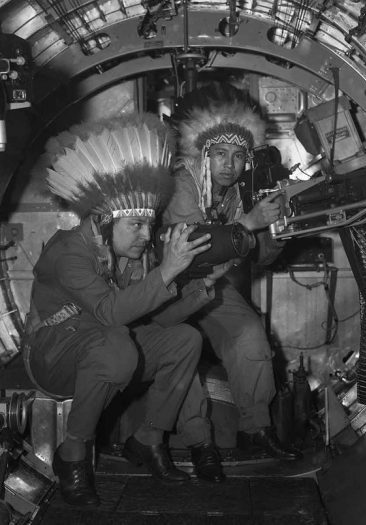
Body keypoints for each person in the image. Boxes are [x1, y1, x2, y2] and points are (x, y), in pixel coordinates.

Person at [24, 113, 229, 507]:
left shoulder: (129, 258)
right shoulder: (69, 252)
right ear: (104, 221)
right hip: (52, 356)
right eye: (136, 225)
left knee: (185, 339)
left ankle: (148, 440)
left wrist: (201, 290)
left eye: (148, 225)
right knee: (116, 346)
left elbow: (155, 322)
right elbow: (111, 314)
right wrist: (168, 269)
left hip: (101, 348)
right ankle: (73, 456)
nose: (146, 235)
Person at [162, 85, 302, 461]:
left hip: (211, 287)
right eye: (220, 154)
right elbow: (194, 247)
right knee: (179, 347)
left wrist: (279, 228)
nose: (229, 164)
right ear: (203, 154)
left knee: (252, 338)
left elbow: (265, 257)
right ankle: (196, 443)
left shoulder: (239, 191)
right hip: (163, 289)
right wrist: (251, 222)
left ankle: (256, 430)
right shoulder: (181, 183)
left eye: (239, 156)